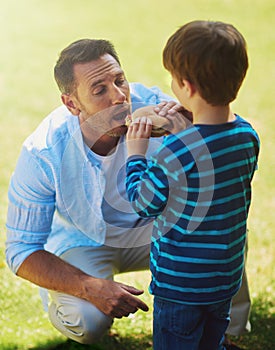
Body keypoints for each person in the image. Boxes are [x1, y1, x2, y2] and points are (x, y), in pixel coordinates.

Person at [5, 38, 185, 344]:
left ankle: (229, 328)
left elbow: (219, 143)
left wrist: (184, 124)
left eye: (119, 80)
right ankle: (84, 299)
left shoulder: (155, 107)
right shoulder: (43, 152)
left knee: (220, 235)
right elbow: (20, 250)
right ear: (72, 103)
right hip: (84, 240)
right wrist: (89, 287)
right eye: (99, 89)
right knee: (86, 322)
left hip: (154, 231)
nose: (119, 97)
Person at [125, 20, 260, 350]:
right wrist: (188, 121)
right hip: (224, 278)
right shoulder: (247, 136)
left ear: (187, 86)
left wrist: (136, 155)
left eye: (173, 79)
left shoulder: (175, 152)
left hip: (181, 285)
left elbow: (144, 203)